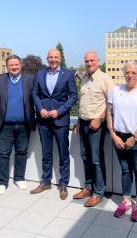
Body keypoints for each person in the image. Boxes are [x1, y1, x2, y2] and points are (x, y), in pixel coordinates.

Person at [107, 62, 137, 222]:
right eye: (127, 72)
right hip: (119, 137)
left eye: (133, 72)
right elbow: (109, 114)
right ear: (124, 73)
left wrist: (134, 137)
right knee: (125, 170)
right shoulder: (116, 90)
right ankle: (126, 201)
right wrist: (113, 135)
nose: (130, 75)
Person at [30, 49, 77, 200]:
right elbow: (35, 93)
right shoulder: (40, 74)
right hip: (43, 120)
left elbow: (73, 96)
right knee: (46, 153)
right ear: (47, 58)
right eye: (51, 57)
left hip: (60, 120)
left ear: (60, 58)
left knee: (63, 154)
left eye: (56, 57)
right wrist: (40, 108)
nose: (53, 59)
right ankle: (46, 182)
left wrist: (60, 111)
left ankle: (63, 185)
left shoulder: (68, 74)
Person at [0, 54, 36, 195]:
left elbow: (36, 100)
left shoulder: (30, 79)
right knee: (3, 154)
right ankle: (2, 182)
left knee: (21, 152)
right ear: (7, 67)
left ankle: (19, 178)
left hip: (24, 124)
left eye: (16, 65)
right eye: (11, 65)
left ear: (20, 65)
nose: (14, 67)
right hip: (4, 125)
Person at [73, 51, 114, 207]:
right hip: (83, 123)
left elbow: (112, 103)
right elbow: (83, 103)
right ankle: (88, 187)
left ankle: (98, 192)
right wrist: (78, 121)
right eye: (87, 61)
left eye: (92, 60)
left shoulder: (105, 79)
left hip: (97, 124)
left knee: (96, 159)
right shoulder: (83, 79)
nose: (89, 63)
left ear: (98, 61)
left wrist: (100, 118)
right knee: (85, 156)